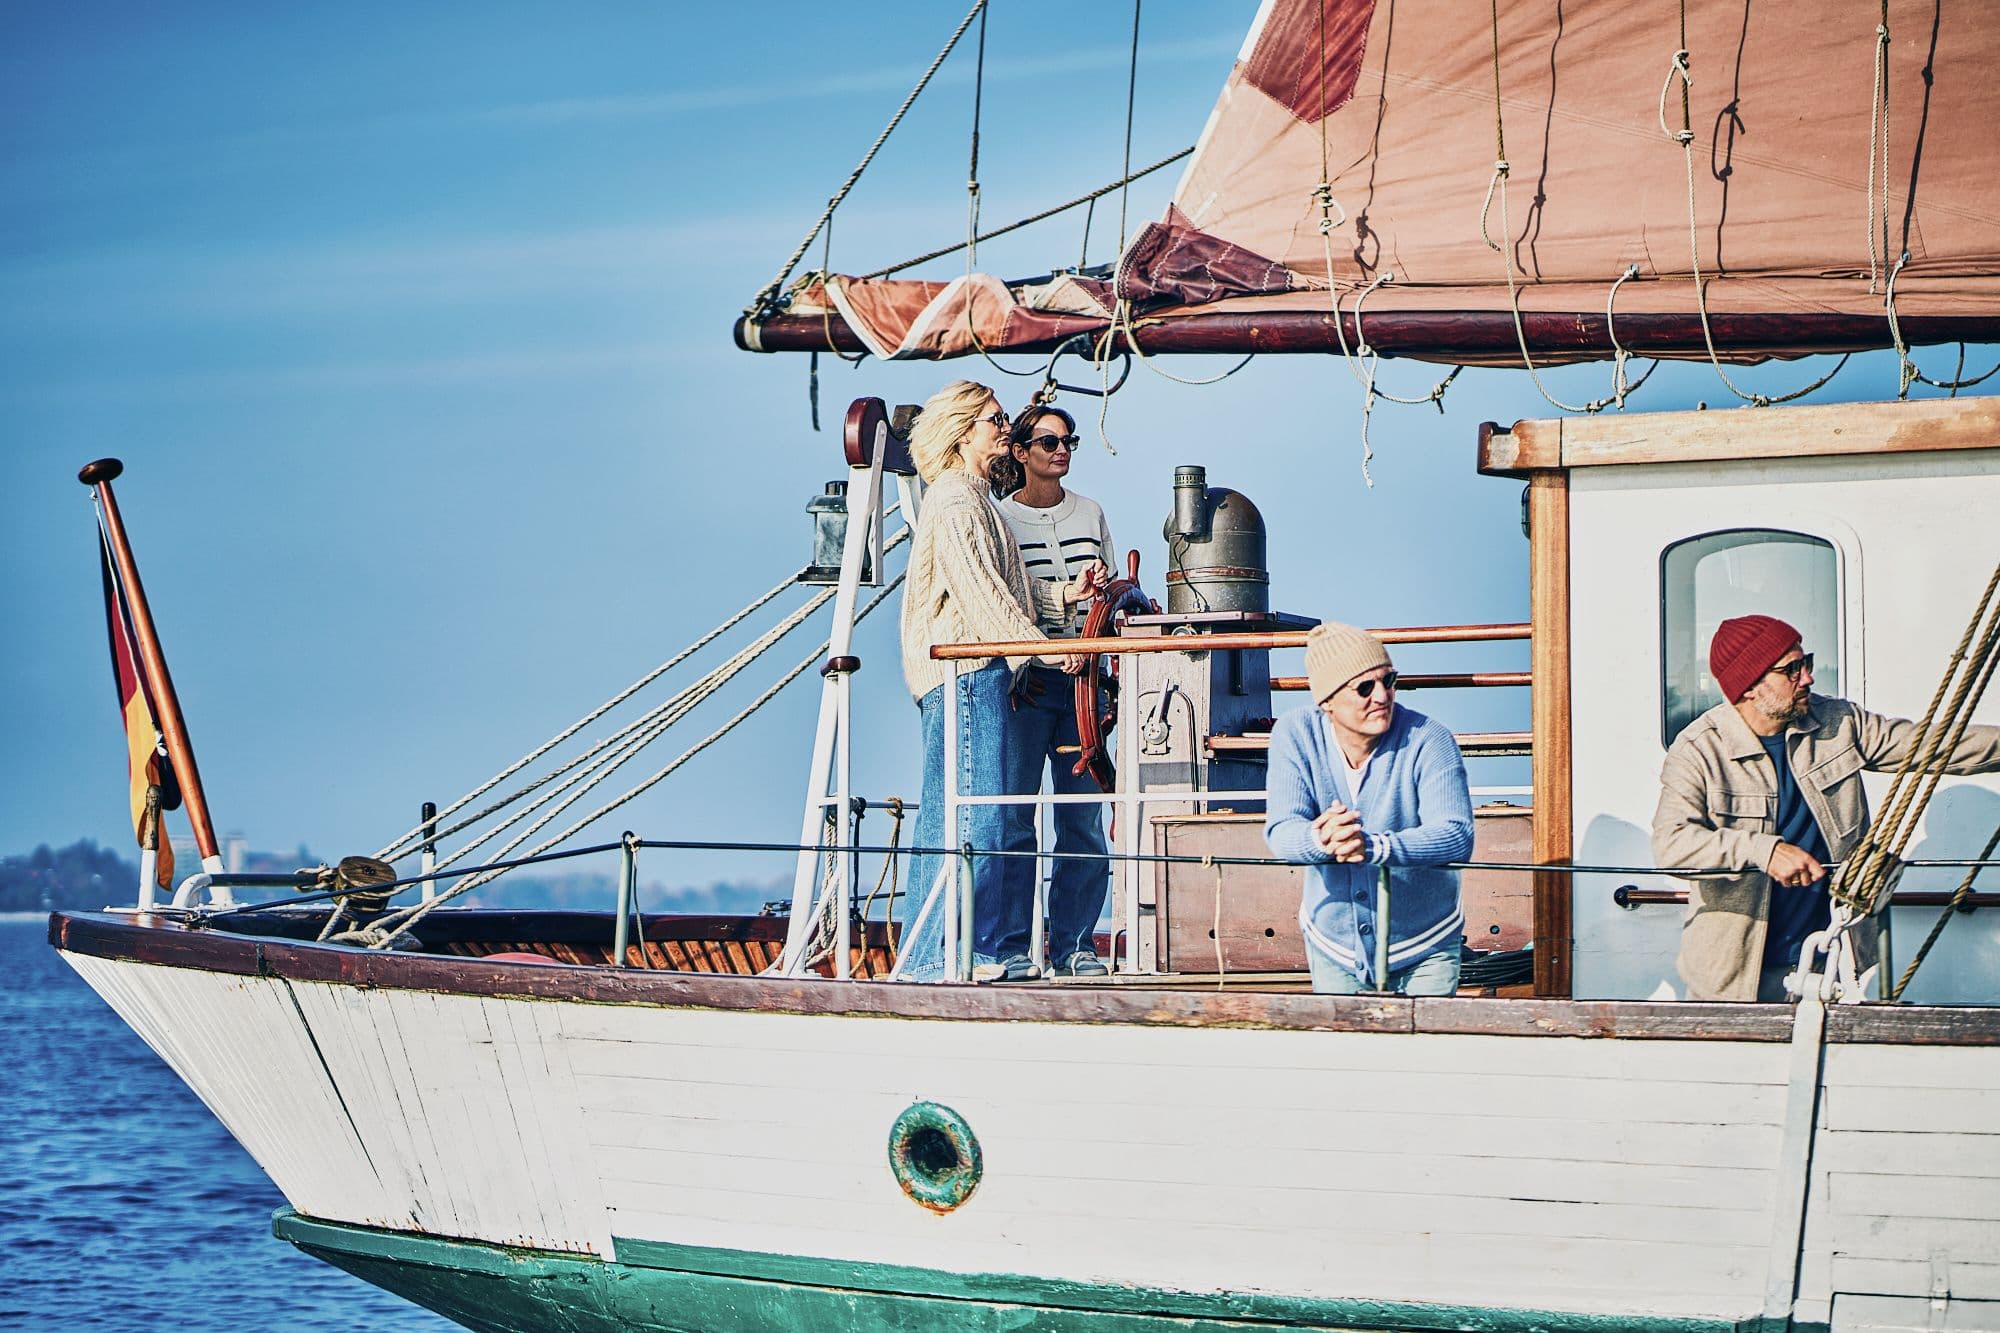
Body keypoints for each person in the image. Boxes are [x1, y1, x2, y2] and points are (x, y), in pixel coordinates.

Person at [1653, 614, 2000, 1002]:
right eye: (1792, 670)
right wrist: (1762, 851)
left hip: (1836, 964)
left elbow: (1930, 744)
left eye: (1807, 663)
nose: (1808, 678)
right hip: (1735, 982)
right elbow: (1672, 845)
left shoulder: (1837, 723)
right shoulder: (1699, 750)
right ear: (1750, 685)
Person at [895, 381, 1102, 982]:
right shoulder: (958, 500)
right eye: (993, 419)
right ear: (963, 433)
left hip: (979, 671)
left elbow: (1007, 586)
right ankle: (939, 958)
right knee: (971, 819)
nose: (1003, 428)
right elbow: (981, 597)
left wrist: (1067, 596)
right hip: (965, 672)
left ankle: (940, 955)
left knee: (962, 814)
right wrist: (1045, 653)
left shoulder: (976, 499)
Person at [1264, 622, 1474, 994]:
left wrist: (1375, 847)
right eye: (1364, 687)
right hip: (1333, 946)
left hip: (1426, 943)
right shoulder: (1295, 734)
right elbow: (1282, 831)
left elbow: (1457, 836)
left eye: (1389, 680)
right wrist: (1322, 838)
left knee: (1425, 1050)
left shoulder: (1430, 739)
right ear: (1327, 700)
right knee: (1343, 1053)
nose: (1382, 695)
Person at [995, 404, 1115, 978]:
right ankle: (1014, 950)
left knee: (1082, 821)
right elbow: (1004, 600)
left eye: (1069, 441)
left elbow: (1113, 597)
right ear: (1020, 453)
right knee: (1015, 821)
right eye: (1047, 442)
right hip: (1024, 683)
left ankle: (1075, 946)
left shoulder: (1090, 514)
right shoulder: (999, 520)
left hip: (1083, 691)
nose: (1060, 449)